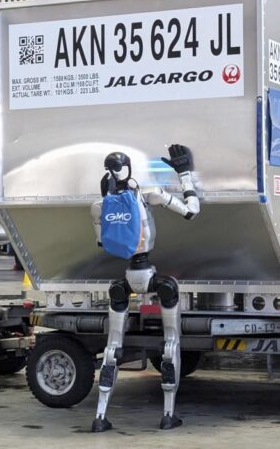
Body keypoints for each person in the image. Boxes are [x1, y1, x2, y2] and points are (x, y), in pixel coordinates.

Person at [90, 145, 200, 432]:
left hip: (124, 278)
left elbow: (102, 243)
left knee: (113, 347)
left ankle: (100, 417)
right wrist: (184, 174)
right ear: (127, 169)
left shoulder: (99, 205)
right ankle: (167, 415)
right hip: (151, 276)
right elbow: (191, 212)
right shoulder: (147, 193)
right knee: (171, 342)